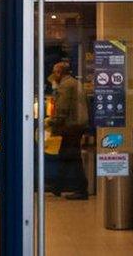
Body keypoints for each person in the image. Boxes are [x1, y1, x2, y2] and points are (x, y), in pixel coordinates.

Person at [47, 61, 89, 200]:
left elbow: (62, 109)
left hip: (71, 126)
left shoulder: (65, 85)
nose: (53, 75)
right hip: (78, 125)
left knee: (73, 157)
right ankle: (57, 186)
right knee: (66, 155)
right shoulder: (75, 83)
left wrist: (51, 122)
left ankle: (81, 190)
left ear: (60, 72)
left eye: (55, 72)